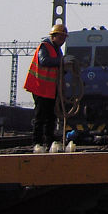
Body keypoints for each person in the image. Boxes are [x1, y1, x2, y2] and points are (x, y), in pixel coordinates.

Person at [24, 22, 67, 153]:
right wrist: (62, 61)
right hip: (40, 87)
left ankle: (49, 142)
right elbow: (44, 61)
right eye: (60, 37)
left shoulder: (57, 50)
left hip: (49, 89)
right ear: (53, 36)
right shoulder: (45, 47)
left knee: (51, 117)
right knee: (40, 116)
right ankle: (37, 143)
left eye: (64, 38)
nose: (62, 40)